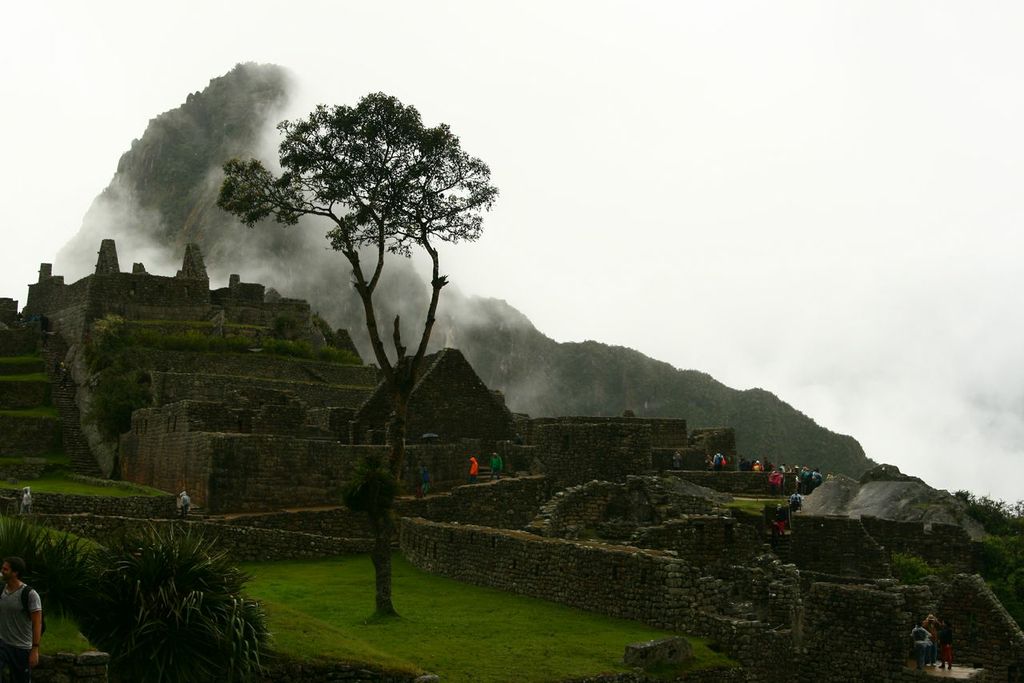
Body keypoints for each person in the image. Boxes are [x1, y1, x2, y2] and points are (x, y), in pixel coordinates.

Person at [0, 556, 42, 682]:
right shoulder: (1, 590)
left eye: (5, 569)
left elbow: (37, 623)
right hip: (2, 644)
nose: (2, 571)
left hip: (21, 648)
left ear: (15, 573)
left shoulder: (29, 594)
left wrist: (35, 649)